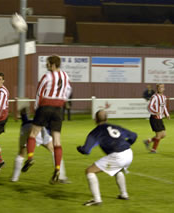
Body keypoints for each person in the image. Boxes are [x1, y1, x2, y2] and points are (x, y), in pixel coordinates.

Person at [22, 55, 72, 184]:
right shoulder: (66, 76)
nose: (46, 65)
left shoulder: (47, 76)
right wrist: (62, 102)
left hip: (46, 106)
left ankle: (30, 157)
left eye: (48, 63)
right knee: (57, 141)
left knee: (33, 133)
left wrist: (37, 108)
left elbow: (39, 92)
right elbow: (67, 91)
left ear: (53, 64)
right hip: (58, 109)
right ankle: (57, 169)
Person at [77, 110, 137, 206]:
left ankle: (97, 200)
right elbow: (134, 135)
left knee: (89, 171)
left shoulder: (95, 132)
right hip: (129, 153)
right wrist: (126, 144)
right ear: (107, 118)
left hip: (118, 156)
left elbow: (86, 151)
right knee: (117, 170)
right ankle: (124, 194)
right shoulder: (115, 127)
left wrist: (80, 149)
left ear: (95, 119)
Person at [11, 109, 69, 183]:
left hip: (25, 128)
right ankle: (61, 176)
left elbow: (25, 118)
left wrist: (23, 114)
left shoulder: (33, 116)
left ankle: (14, 178)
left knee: (21, 154)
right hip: (39, 130)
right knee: (55, 151)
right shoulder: (47, 112)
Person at [143, 84, 170, 153]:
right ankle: (153, 150)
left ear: (164, 89)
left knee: (163, 135)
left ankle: (148, 141)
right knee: (159, 135)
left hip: (160, 118)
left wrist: (167, 114)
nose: (161, 88)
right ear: (157, 89)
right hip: (154, 118)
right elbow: (149, 106)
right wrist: (155, 112)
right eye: (159, 87)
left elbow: (164, 107)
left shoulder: (164, 97)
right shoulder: (154, 97)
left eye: (162, 87)